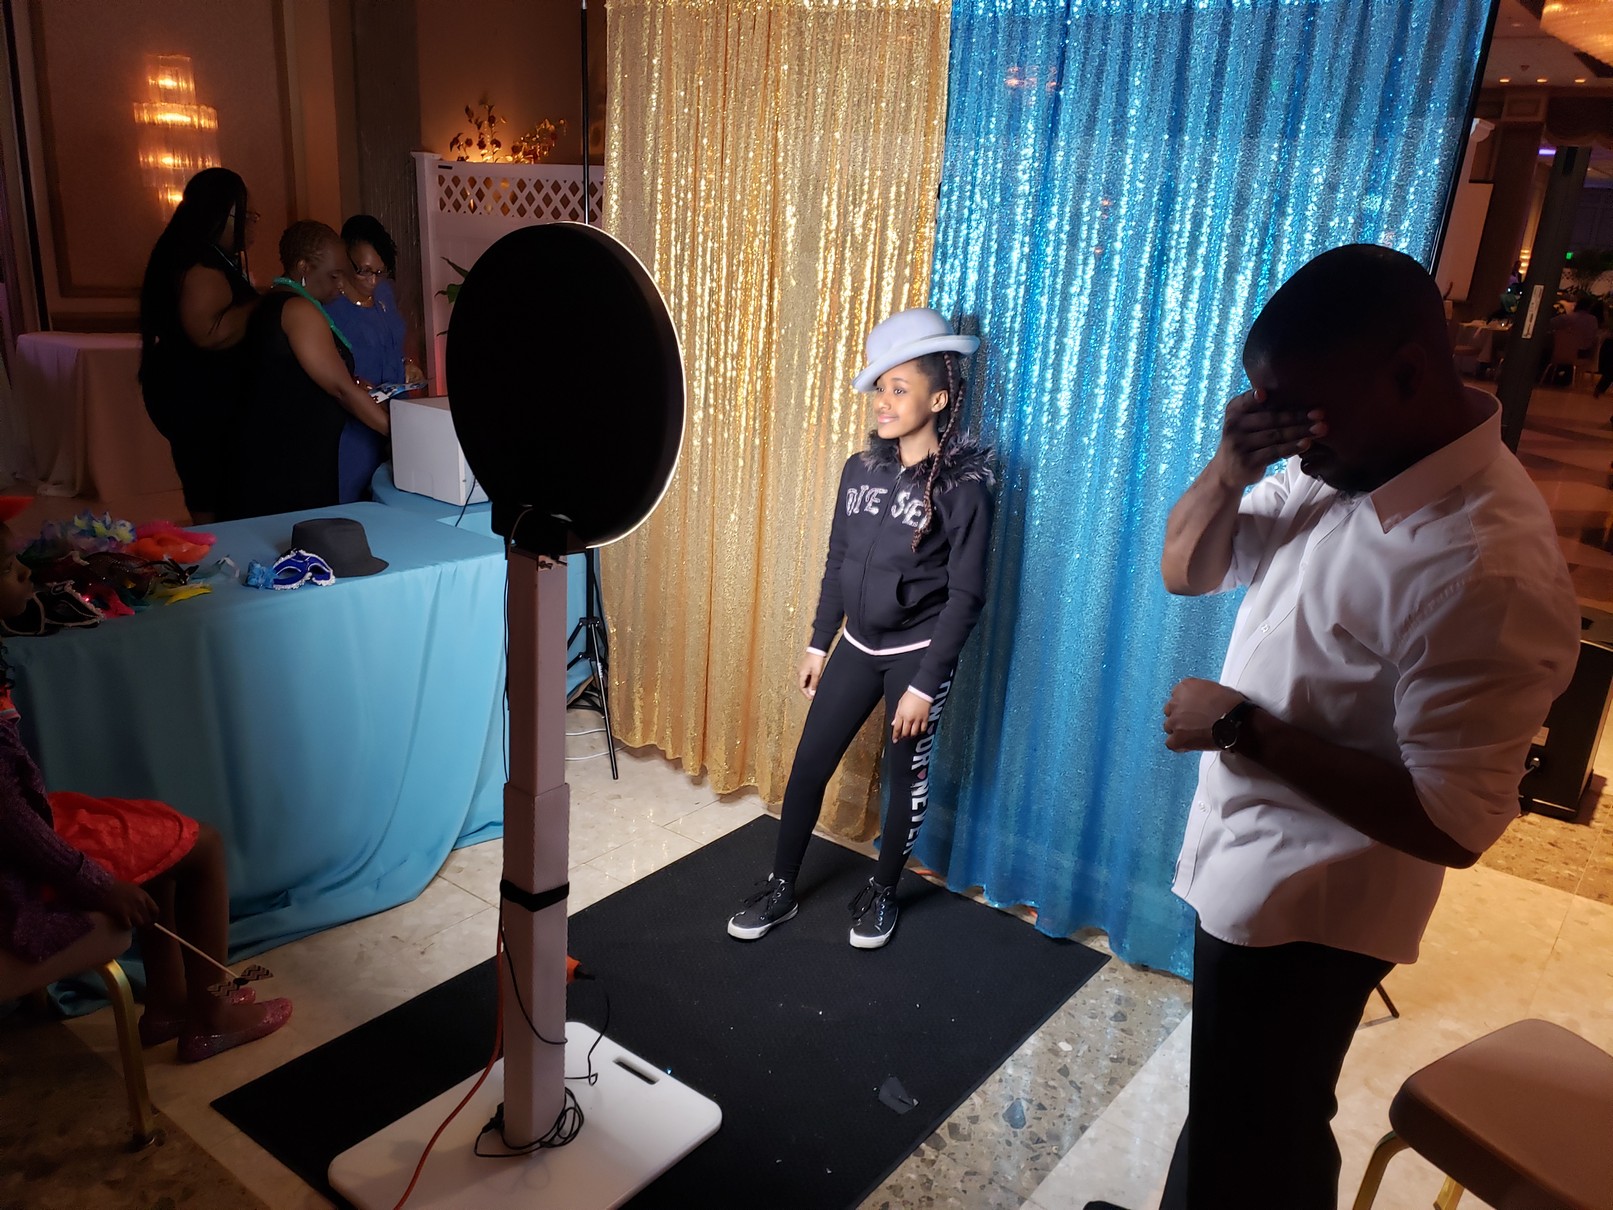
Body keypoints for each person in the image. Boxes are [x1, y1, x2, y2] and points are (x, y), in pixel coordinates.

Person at [1085, 246, 1580, 1210]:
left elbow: (1455, 824)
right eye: (1272, 413)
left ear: (1406, 373)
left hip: (1313, 910)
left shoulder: (1487, 569)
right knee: (1232, 1111)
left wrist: (1243, 729)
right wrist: (1228, 470)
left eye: (1305, 412)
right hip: (1249, 861)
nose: (1294, 440)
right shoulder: (1343, 464)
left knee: (1262, 1139)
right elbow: (1187, 570)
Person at [726, 308, 994, 950]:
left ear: (939, 399)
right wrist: (819, 641)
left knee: (905, 779)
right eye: (880, 388)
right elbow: (838, 560)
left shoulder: (964, 490)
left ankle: (883, 892)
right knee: (809, 763)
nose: (883, 401)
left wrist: (925, 685)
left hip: (916, 656)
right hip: (856, 646)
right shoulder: (860, 470)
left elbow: (967, 595)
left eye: (900, 388)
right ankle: (781, 886)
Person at [0, 504, 292, 1060]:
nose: (25, 576)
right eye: (10, 570)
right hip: (19, 865)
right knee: (203, 846)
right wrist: (97, 885)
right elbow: (12, 822)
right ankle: (212, 1017)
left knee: (161, 833)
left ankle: (169, 1003)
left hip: (32, 829)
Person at [224, 221, 392, 520]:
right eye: (334, 275)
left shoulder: (275, 301)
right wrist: (397, 433)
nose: (340, 284)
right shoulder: (299, 309)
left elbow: (294, 374)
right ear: (303, 267)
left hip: (278, 452)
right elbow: (340, 389)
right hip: (291, 460)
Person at [138, 168, 262, 523]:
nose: (253, 227)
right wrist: (269, 299)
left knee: (213, 485)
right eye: (248, 217)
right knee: (210, 487)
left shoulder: (198, 254)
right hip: (197, 397)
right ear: (220, 214)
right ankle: (216, 544)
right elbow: (210, 332)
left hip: (198, 393)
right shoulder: (201, 263)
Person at [326, 215, 424, 503]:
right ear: (345, 258)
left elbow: (392, 339)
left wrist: (407, 364)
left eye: (379, 272)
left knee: (399, 496)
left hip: (396, 413)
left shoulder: (384, 293)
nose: (372, 280)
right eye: (364, 271)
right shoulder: (330, 304)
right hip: (354, 426)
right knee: (356, 502)